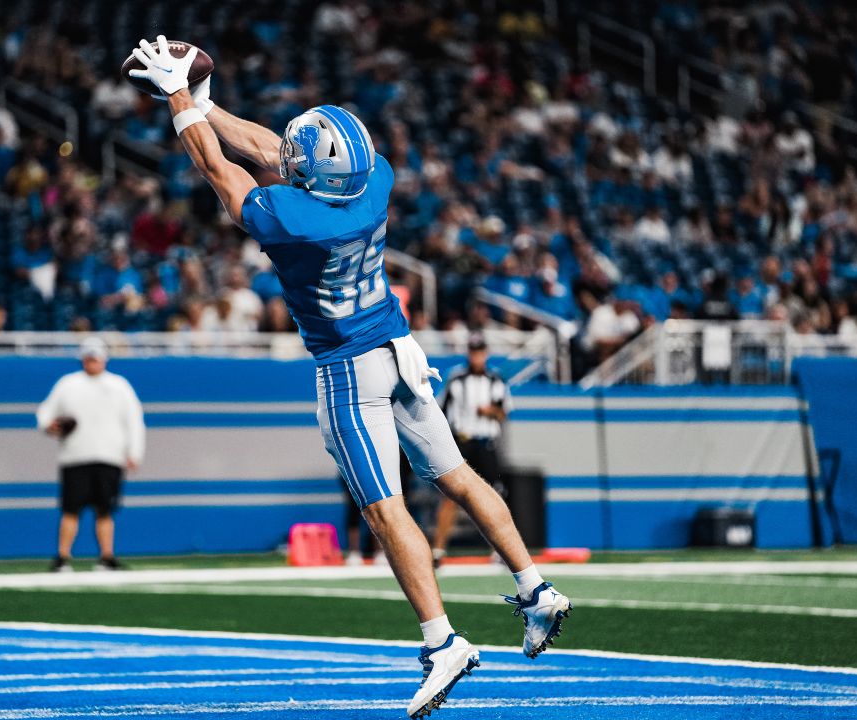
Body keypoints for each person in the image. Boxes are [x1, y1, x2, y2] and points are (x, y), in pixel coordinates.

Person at [127, 36, 571, 718]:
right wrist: (207, 103)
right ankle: (537, 589)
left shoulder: (294, 220)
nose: (294, 153)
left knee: (383, 509)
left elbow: (222, 171)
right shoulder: (377, 182)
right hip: (401, 347)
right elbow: (277, 151)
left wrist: (178, 98)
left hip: (349, 368)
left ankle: (441, 641)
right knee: (458, 474)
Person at [36, 337, 146, 572]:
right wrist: (48, 425)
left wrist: (134, 452)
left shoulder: (119, 386)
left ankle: (106, 556)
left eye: (95, 357)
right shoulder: (68, 384)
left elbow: (134, 421)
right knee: (70, 510)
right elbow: (46, 412)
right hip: (75, 456)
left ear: (104, 359)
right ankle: (63, 557)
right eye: (88, 357)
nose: (92, 362)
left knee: (105, 511)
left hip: (109, 456)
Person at [431, 335, 512, 566]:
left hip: (486, 443)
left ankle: (500, 550)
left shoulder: (496, 380)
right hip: (462, 442)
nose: (476, 356)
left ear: (485, 353)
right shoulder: (456, 378)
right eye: (473, 351)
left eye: (480, 351)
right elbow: (440, 411)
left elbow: (503, 412)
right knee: (449, 496)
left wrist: (490, 412)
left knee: (493, 496)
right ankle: (438, 550)